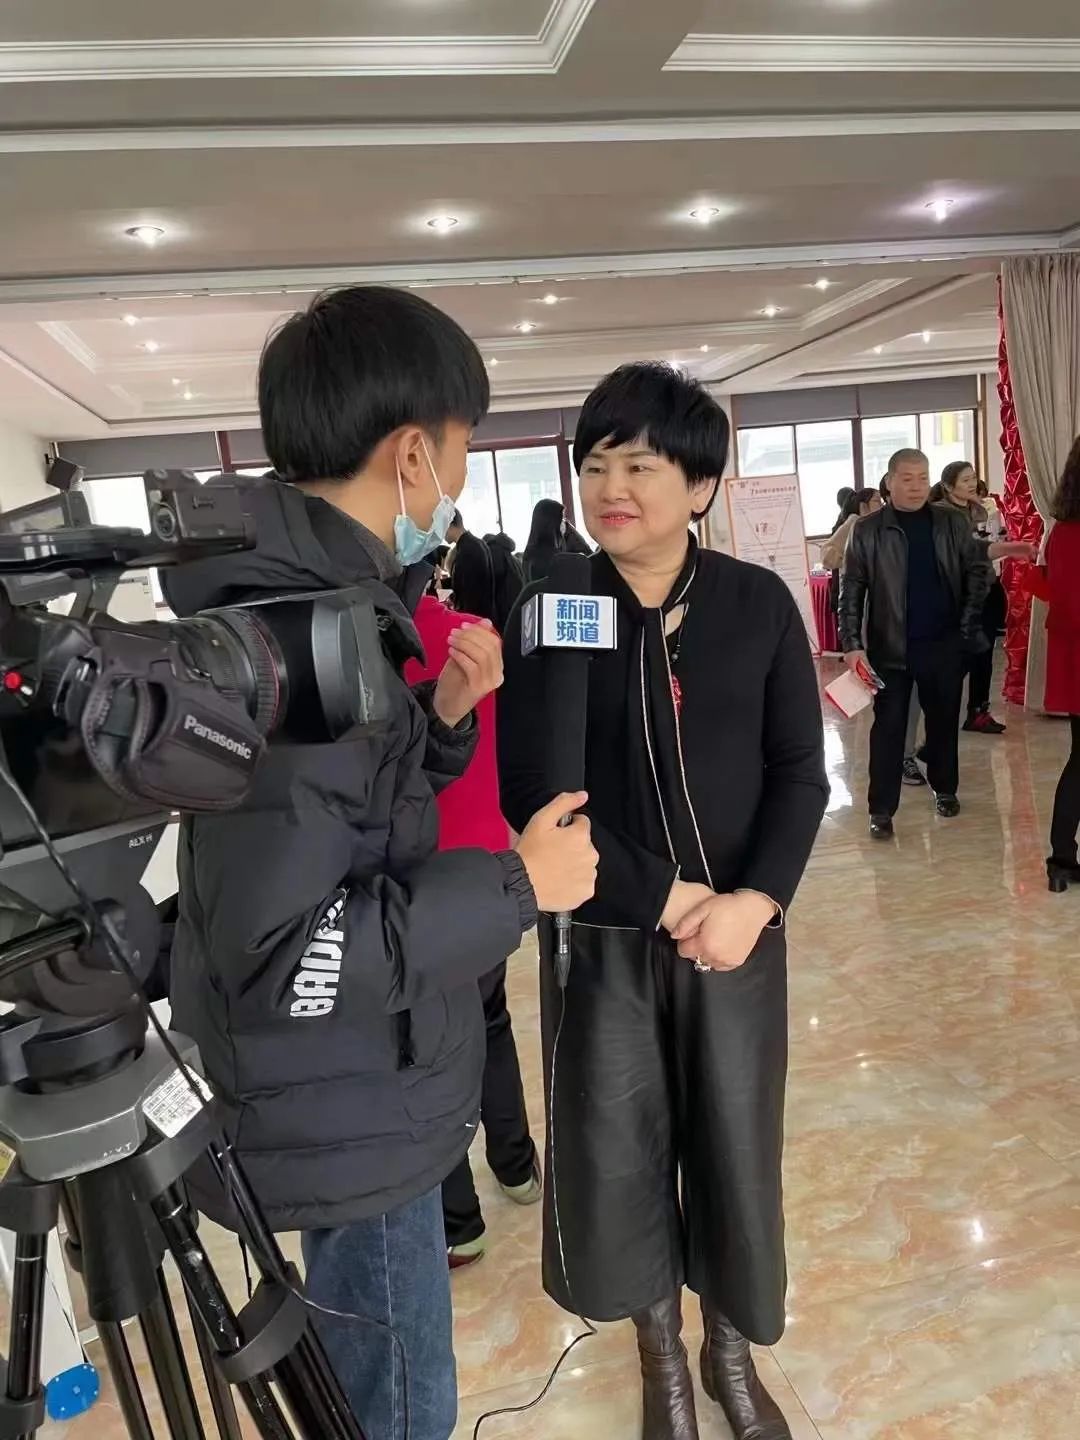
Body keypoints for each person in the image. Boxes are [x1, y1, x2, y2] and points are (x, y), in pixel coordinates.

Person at [163, 286, 598, 1440]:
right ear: (412, 453)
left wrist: (438, 723)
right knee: (397, 1407)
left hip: (349, 1088)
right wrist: (519, 884)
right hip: (349, 1101)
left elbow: (342, 820)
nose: (453, 487)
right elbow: (291, 958)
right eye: (457, 453)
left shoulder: (323, 609)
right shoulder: (304, 640)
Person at [499, 363, 829, 1440]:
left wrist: (755, 901)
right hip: (603, 939)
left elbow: (799, 771)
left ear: (700, 484)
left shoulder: (754, 604)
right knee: (618, 1153)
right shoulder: (557, 606)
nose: (611, 487)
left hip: (735, 938)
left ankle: (730, 1353)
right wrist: (663, 892)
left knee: (736, 1148)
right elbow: (532, 792)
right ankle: (663, 1366)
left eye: (640, 465)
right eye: (596, 464)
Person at [404, 590, 542, 1268]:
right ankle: (518, 1166)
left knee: (431, 1049)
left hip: (416, 880)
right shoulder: (477, 634)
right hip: (487, 866)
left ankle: (459, 1223)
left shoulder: (359, 647)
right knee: (491, 1022)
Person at [840, 447, 991, 839]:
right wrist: (852, 644)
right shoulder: (868, 530)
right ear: (889, 483)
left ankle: (945, 788)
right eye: (907, 479)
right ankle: (881, 810)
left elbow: (978, 571)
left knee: (943, 724)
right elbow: (851, 589)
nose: (916, 486)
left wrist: (966, 625)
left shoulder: (951, 522)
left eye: (923, 478)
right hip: (889, 650)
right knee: (888, 730)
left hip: (943, 645)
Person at [932, 461, 1019, 735]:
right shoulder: (941, 515)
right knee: (963, 656)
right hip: (961, 595)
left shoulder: (980, 509)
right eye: (965, 480)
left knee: (984, 653)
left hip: (986, 587)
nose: (972, 484)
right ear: (948, 487)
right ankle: (941, 713)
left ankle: (978, 711)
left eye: (973, 478)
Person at [1035, 436, 1080, 892]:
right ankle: (1061, 857)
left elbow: (1055, 595)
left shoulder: (1062, 532)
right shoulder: (1066, 534)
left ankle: (1062, 859)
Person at [445, 510, 524, 632]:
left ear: (449, 524)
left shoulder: (467, 550)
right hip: (487, 618)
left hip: (477, 621)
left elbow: (469, 593)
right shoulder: (476, 544)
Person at [521, 497, 591, 583]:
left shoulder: (531, 553)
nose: (565, 523)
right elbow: (590, 558)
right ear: (552, 524)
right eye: (562, 519)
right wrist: (572, 532)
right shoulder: (554, 559)